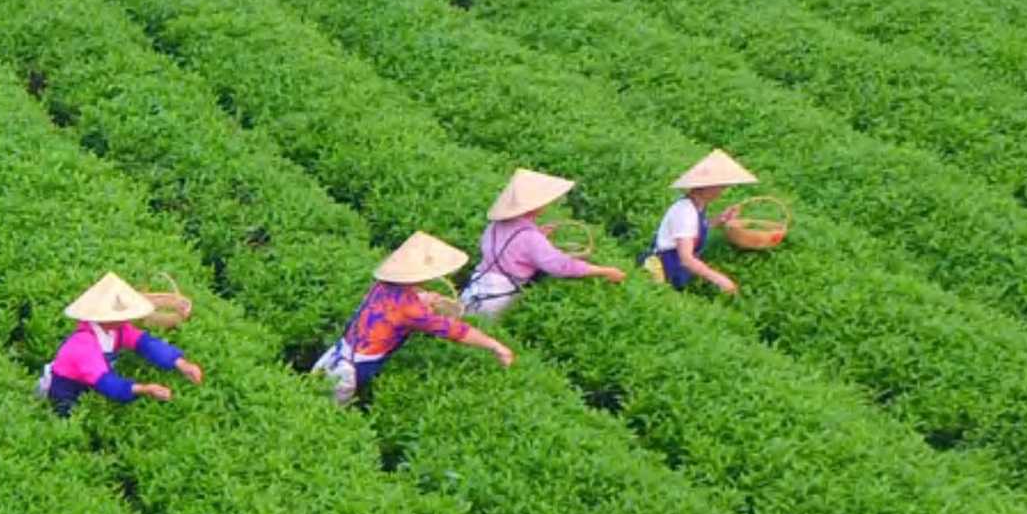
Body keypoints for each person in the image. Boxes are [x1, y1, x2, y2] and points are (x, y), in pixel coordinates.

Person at [314, 233, 511, 406]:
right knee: (329, 408)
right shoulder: (411, 310)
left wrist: (422, 300)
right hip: (358, 365)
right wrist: (495, 345)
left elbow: (394, 307)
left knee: (314, 393)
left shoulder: (382, 283)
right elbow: (456, 330)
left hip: (342, 349)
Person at [463, 170, 627, 318]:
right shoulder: (529, 237)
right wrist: (605, 271)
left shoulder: (497, 224)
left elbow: (502, 249)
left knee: (464, 323)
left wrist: (538, 237)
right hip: (497, 297)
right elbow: (561, 266)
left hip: (476, 285)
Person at [39, 272, 201, 415]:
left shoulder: (118, 330)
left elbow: (146, 343)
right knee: (68, 419)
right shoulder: (82, 345)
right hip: (66, 393)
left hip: (91, 385)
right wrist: (144, 389)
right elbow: (105, 382)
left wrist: (181, 363)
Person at [645, 150, 751, 296]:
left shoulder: (697, 206)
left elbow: (695, 229)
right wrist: (720, 280)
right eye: (721, 187)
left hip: (677, 268)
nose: (722, 192)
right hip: (667, 269)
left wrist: (720, 219)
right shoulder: (685, 212)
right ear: (708, 186)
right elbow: (686, 259)